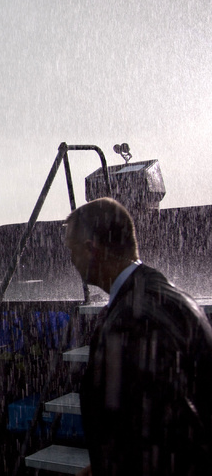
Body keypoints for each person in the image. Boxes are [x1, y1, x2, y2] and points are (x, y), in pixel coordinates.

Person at [64, 197, 212, 475]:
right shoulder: (168, 295)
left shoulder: (132, 322)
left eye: (72, 252)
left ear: (91, 250)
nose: (71, 261)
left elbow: (157, 446)